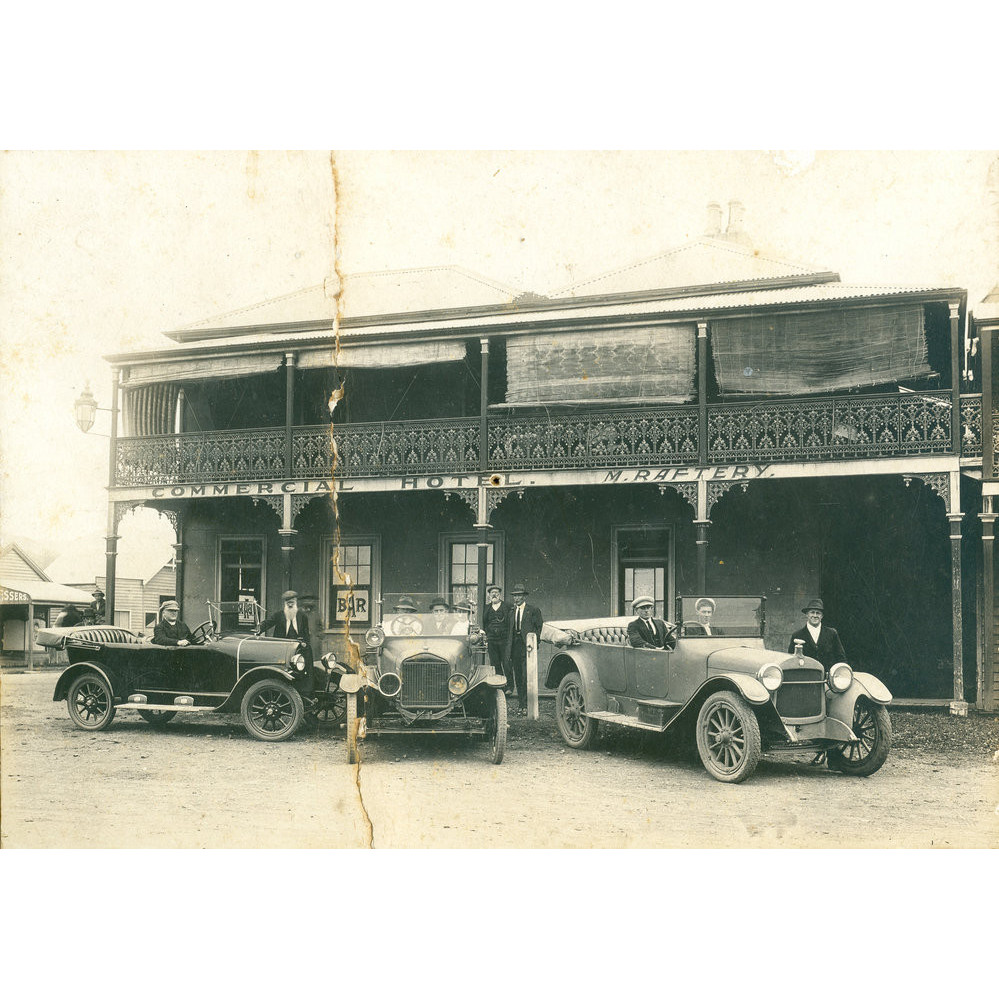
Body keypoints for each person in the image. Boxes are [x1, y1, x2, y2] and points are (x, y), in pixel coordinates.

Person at [505, 582, 544, 713]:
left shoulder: (532, 610)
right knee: (518, 676)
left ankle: (527, 705)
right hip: (515, 646)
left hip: (527, 646)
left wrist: (534, 642)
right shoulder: (511, 612)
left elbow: (539, 628)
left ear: (524, 597)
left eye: (519, 596)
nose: (516, 598)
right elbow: (509, 631)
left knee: (526, 675)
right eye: (515, 596)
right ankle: (521, 705)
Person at [788, 597, 847, 668]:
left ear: (822, 616)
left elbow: (841, 658)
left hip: (827, 677)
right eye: (812, 612)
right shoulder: (797, 635)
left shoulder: (832, 633)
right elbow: (791, 660)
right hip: (806, 676)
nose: (815, 615)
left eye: (818, 613)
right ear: (807, 614)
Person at [259, 590, 314, 661]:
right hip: (282, 648)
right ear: (285, 603)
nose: (290, 605)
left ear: (296, 602)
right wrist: (259, 628)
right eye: (288, 603)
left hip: (297, 649)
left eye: (292, 603)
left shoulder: (302, 616)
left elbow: (306, 634)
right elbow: (267, 623)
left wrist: (305, 643)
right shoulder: (278, 615)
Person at [482, 583, 511, 682]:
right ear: (489, 595)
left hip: (504, 640)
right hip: (492, 640)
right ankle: (500, 685)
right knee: (495, 664)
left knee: (506, 663)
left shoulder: (507, 606)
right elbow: (484, 622)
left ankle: (510, 686)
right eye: (492, 593)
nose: (494, 594)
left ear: (500, 594)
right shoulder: (486, 607)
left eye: (496, 592)